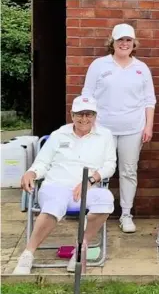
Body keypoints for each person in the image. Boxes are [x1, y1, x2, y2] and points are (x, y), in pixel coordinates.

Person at [13, 96, 116, 274]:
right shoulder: (59, 135)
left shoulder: (105, 135)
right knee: (55, 205)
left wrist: (90, 181)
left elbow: (110, 165)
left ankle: (79, 250)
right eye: (79, 114)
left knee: (106, 200)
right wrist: (32, 172)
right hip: (55, 185)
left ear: (95, 116)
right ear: (72, 115)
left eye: (89, 114)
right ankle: (28, 254)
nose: (84, 119)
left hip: (87, 187)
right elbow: (43, 162)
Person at [81, 23, 156, 233]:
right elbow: (87, 95)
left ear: (134, 44)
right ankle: (95, 213)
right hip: (103, 128)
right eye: (120, 40)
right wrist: (89, 124)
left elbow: (149, 100)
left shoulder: (141, 68)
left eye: (128, 40)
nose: (124, 44)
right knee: (100, 170)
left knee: (128, 171)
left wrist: (148, 126)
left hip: (133, 128)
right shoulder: (99, 65)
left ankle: (126, 214)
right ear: (112, 42)